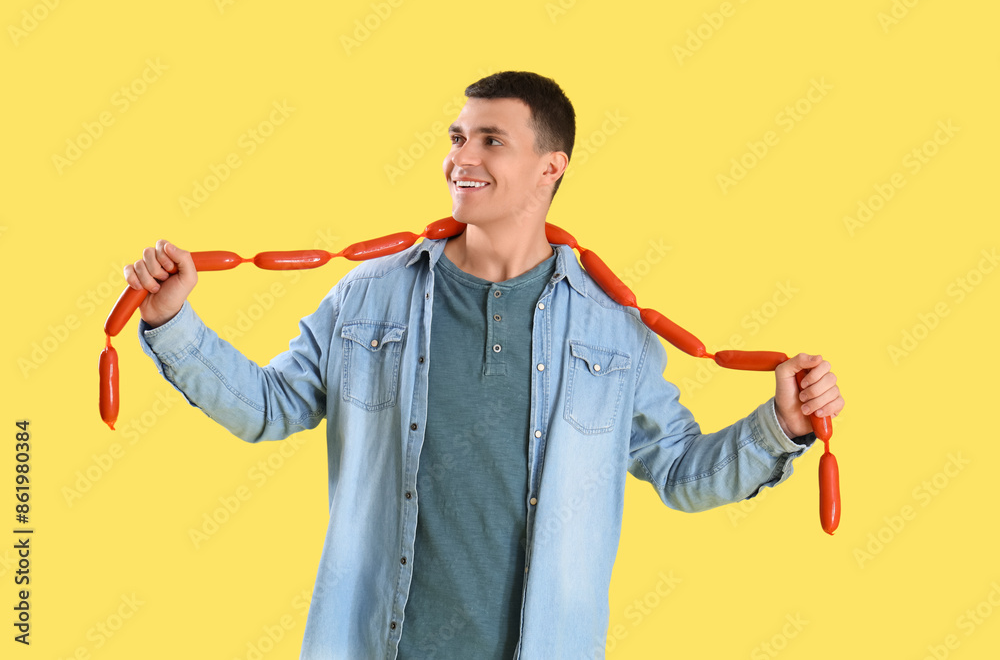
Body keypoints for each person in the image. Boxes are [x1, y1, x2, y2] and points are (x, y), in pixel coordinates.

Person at [124, 71, 844, 660]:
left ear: (549, 167)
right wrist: (173, 322)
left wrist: (779, 424)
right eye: (457, 137)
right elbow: (270, 405)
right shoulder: (369, 294)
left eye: (490, 140)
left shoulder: (612, 329)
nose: (461, 157)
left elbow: (682, 472)